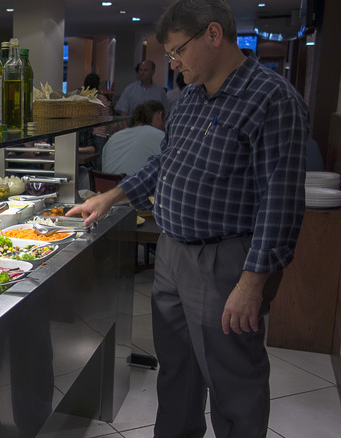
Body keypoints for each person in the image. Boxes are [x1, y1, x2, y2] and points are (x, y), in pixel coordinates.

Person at [67, 0, 309, 437]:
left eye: (177, 51)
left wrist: (252, 285)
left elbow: (281, 203)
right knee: (176, 372)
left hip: (226, 261)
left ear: (213, 35)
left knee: (234, 379)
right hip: (172, 253)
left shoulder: (272, 100)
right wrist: (112, 197)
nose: (173, 64)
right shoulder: (192, 97)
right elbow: (165, 162)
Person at [101, 100, 165, 176]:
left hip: (106, 186)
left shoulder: (114, 137)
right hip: (134, 186)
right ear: (159, 115)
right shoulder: (161, 137)